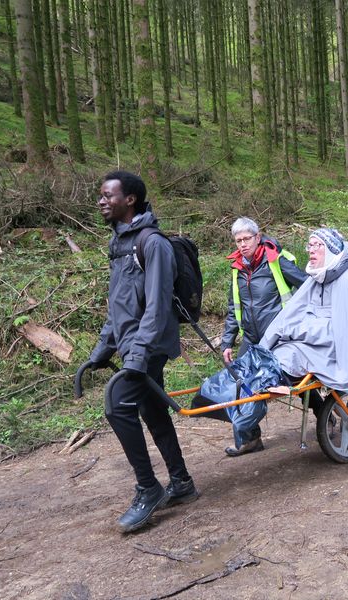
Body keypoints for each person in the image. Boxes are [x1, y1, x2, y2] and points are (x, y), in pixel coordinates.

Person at [87, 171, 198, 533]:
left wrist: (137, 354)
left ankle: (148, 488)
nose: (101, 201)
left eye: (108, 196)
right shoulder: (120, 243)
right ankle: (180, 482)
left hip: (149, 344)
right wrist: (103, 349)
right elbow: (117, 305)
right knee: (152, 409)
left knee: (117, 406)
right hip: (132, 343)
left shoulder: (153, 244)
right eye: (101, 196)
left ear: (129, 199)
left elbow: (157, 306)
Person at [260, 228, 348, 393]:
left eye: (317, 245)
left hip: (331, 346)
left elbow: (342, 328)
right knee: (278, 352)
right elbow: (294, 311)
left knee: (290, 355)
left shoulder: (347, 278)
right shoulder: (318, 277)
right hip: (312, 340)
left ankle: (269, 379)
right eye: (309, 246)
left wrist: (295, 329)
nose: (311, 250)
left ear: (330, 249)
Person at [217, 217, 306, 456]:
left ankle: (326, 415)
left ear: (258, 237)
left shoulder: (276, 261)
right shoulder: (237, 268)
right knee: (241, 384)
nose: (243, 244)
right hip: (251, 338)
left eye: (247, 238)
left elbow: (307, 286)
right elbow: (233, 308)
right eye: (238, 240)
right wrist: (227, 341)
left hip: (279, 337)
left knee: (297, 382)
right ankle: (250, 439)